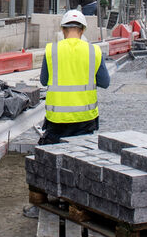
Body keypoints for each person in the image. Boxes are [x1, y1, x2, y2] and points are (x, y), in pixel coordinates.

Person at [39, 9, 110, 144]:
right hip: (85, 119)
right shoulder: (93, 50)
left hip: (57, 119)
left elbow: (43, 81)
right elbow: (105, 82)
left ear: (63, 30)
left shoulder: (51, 50)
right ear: (82, 30)